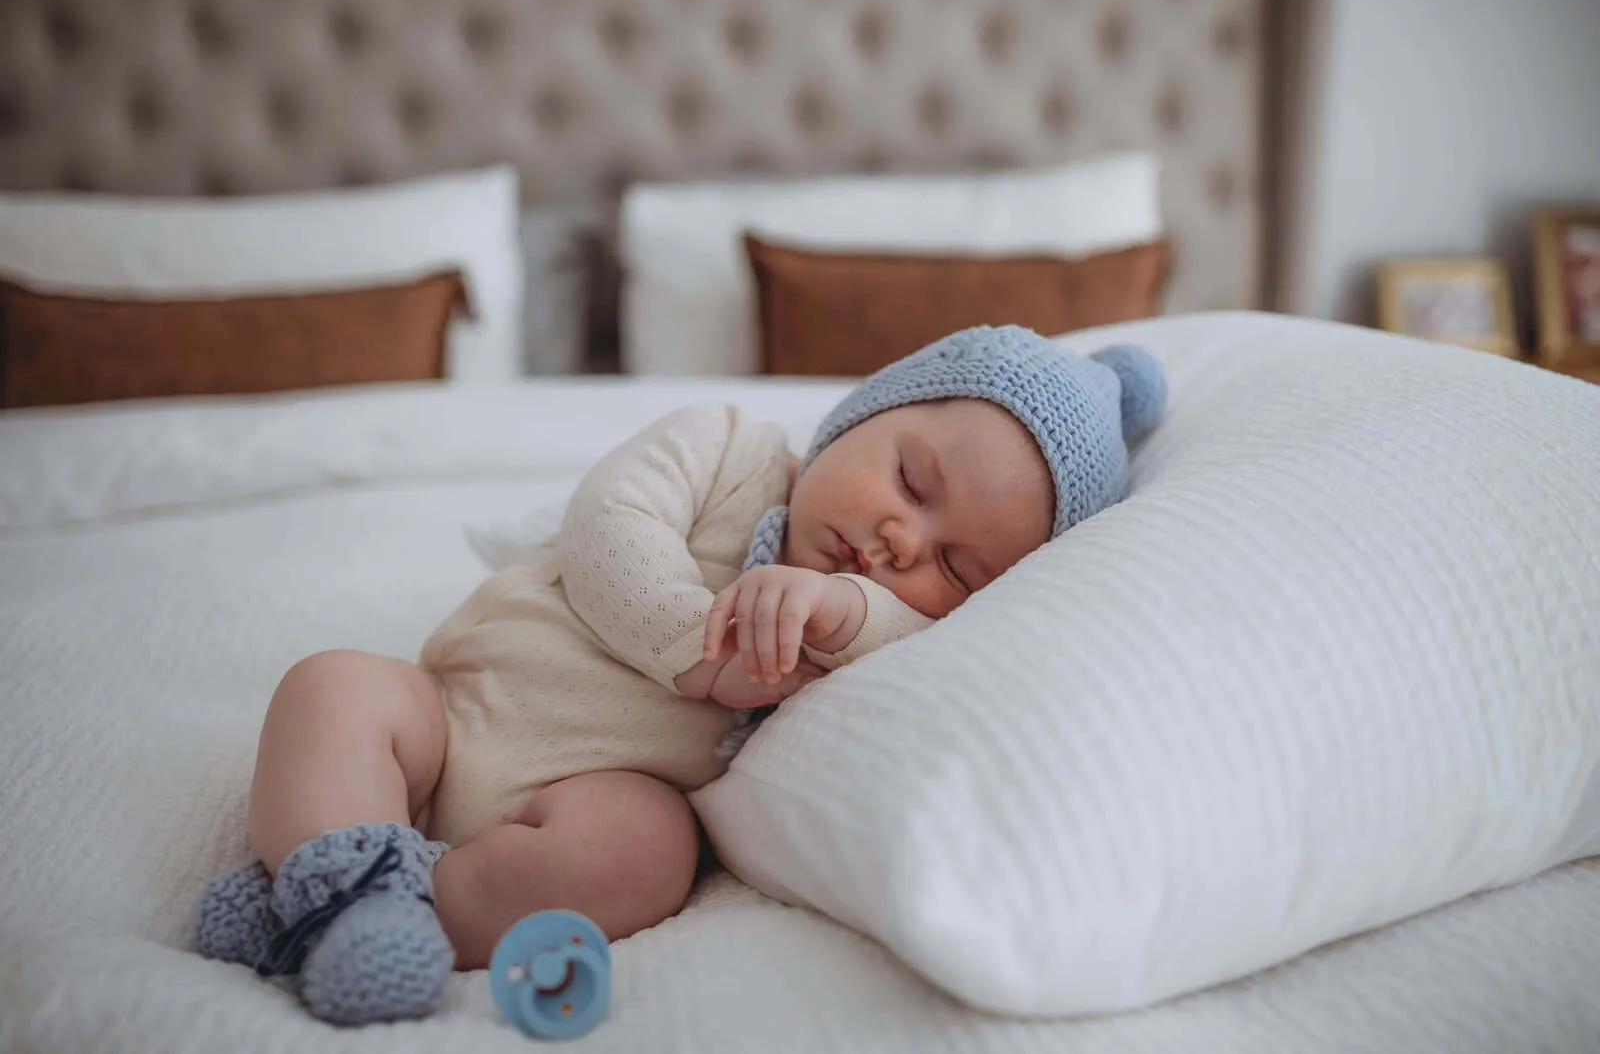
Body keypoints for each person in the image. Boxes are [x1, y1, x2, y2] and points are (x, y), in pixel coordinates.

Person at [193, 324, 1167, 1024]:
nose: (900, 538)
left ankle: (366, 910)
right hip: (451, 710)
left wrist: (845, 611)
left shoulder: (866, 620)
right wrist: (692, 643)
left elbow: (904, 648)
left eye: (958, 567)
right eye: (911, 479)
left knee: (648, 852)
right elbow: (608, 519)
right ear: (867, 412)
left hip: (592, 789)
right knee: (335, 688)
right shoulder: (728, 447)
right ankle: (332, 864)